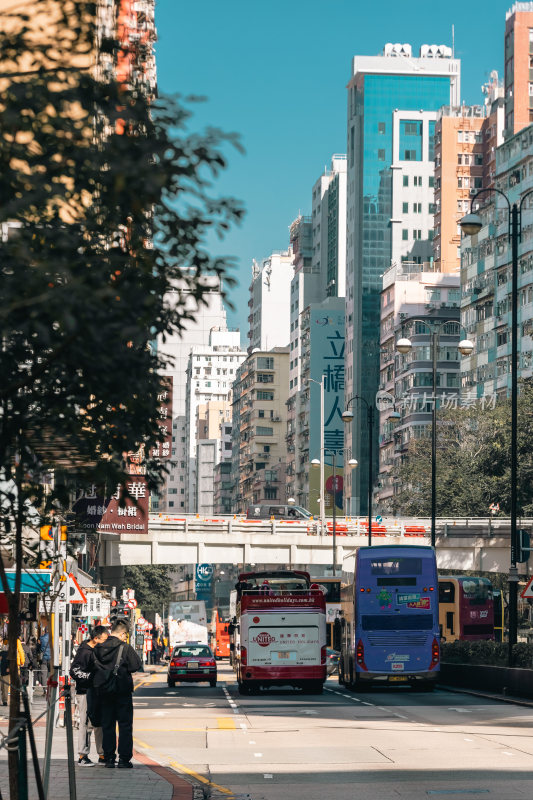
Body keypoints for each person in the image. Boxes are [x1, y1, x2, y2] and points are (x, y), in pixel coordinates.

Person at [94, 619, 142, 769]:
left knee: (107, 725)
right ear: (122, 633)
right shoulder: (125, 648)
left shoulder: (98, 648)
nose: (125, 638)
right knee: (125, 725)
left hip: (104, 692)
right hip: (122, 692)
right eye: (125, 636)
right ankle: (124, 759)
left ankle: (108, 758)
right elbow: (136, 665)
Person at [70, 625, 109, 767]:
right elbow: (74, 671)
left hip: (96, 692)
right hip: (85, 692)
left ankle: (102, 754)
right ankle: (82, 755)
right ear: (95, 638)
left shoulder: (95, 650)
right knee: (85, 724)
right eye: (103, 640)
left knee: (98, 723)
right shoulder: (84, 652)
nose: (105, 642)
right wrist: (91, 677)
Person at [38, 628, 51, 694]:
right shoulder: (53, 638)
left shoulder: (41, 638)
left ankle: (45, 689)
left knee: (43, 674)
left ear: (45, 631)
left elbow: (39, 647)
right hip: (51, 659)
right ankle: (51, 688)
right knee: (51, 674)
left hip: (44, 658)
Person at [0, 639, 9, 706]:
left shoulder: (7, 653)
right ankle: (4, 700)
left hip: (5, 672)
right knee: (4, 687)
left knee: (5, 687)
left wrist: (9, 668)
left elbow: (10, 661)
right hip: (3, 671)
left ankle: (5, 700)